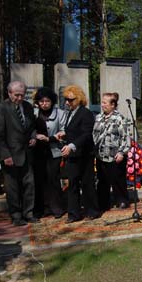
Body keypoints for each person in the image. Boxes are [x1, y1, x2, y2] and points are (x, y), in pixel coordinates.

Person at [0, 81, 39, 226]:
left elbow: (31, 126)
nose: (19, 98)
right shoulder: (2, 108)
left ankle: (28, 213)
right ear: (9, 93)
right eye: (16, 95)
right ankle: (16, 216)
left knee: (29, 185)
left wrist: (33, 137)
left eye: (22, 95)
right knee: (12, 188)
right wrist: (5, 155)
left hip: (26, 154)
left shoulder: (27, 107)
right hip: (10, 156)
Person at [58, 85, 101, 223]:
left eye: (70, 99)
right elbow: (74, 130)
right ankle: (73, 213)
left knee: (87, 183)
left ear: (79, 99)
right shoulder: (71, 112)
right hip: (73, 155)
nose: (67, 102)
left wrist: (71, 145)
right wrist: (64, 134)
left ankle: (92, 210)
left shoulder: (86, 113)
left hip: (84, 155)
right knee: (72, 184)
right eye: (66, 99)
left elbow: (86, 134)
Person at [93, 92, 131, 212]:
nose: (102, 105)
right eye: (102, 102)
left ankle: (122, 200)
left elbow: (125, 138)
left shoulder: (120, 119)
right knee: (102, 180)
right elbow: (94, 134)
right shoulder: (98, 117)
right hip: (101, 155)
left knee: (117, 180)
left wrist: (121, 152)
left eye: (105, 102)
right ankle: (103, 202)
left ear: (113, 105)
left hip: (115, 155)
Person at [33, 87, 67, 219]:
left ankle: (57, 208)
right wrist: (35, 136)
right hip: (37, 152)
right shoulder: (34, 112)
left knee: (53, 180)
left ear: (52, 101)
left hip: (54, 150)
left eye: (47, 101)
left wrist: (50, 138)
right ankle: (42, 208)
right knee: (40, 180)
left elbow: (64, 130)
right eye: (41, 101)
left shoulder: (60, 113)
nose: (44, 104)